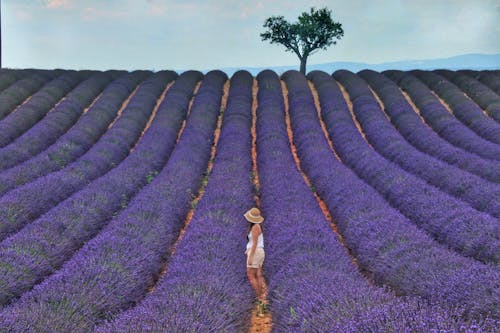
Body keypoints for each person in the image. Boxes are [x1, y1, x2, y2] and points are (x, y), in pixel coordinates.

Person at [244, 207, 266, 315]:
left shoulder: (255, 228)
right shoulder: (257, 226)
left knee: (250, 274)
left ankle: (259, 298)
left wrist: (251, 256)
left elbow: (255, 243)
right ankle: (261, 298)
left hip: (255, 252)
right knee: (258, 274)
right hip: (259, 251)